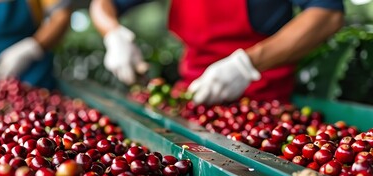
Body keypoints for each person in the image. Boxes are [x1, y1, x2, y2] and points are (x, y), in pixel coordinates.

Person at [89, 0, 345, 105]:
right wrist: (114, 35)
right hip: (192, 97)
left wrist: (246, 65)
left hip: (263, 100)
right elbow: (102, 4)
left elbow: (327, 14)